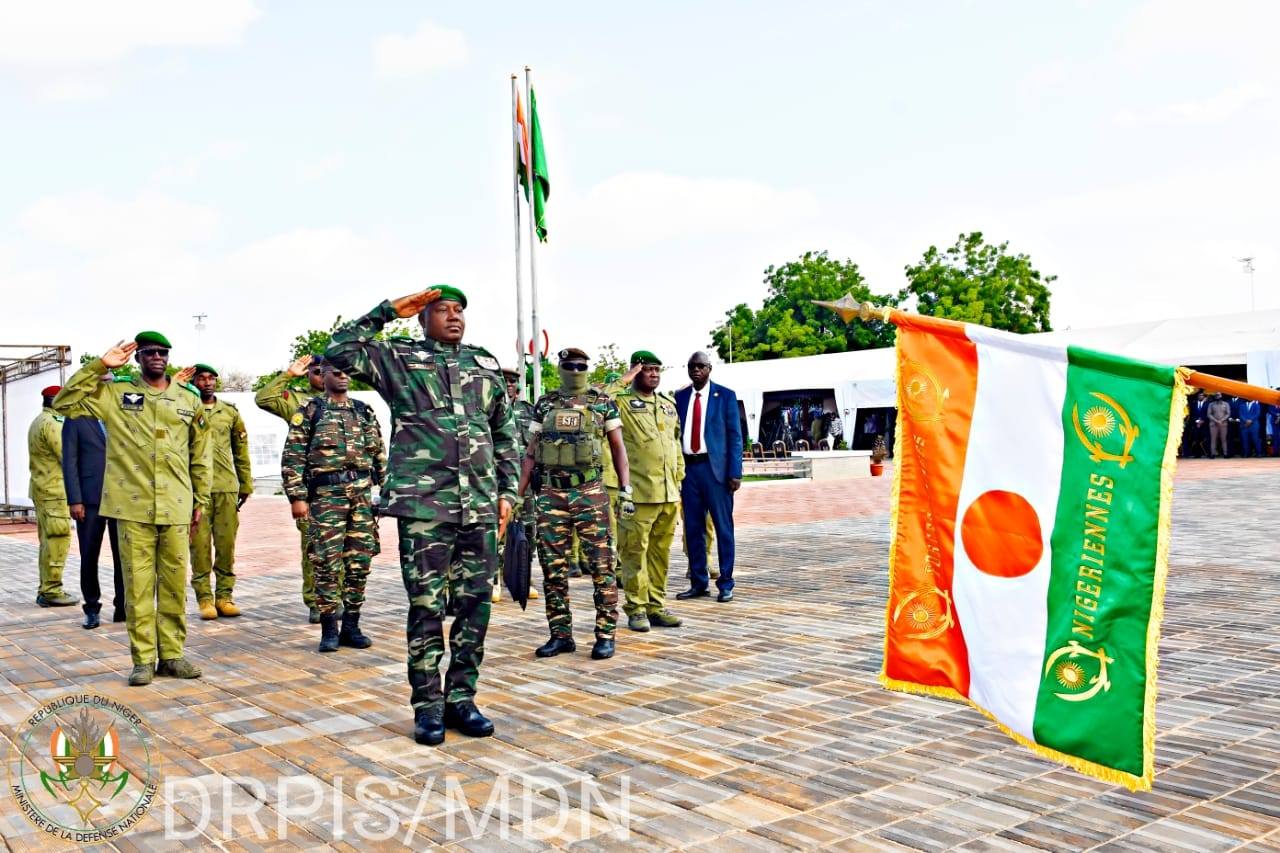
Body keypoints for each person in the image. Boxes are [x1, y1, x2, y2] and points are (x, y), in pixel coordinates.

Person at [326, 285, 518, 746]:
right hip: (425, 507)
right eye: (442, 310)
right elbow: (339, 349)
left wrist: (508, 492)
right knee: (428, 607)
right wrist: (387, 311)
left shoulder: (484, 364)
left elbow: (505, 433)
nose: (454, 317)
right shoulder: (398, 359)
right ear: (422, 318)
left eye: (459, 310)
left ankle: (462, 699)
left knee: (475, 606)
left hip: (479, 506)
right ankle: (428, 705)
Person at [53, 333, 210, 686]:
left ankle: (172, 655)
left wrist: (200, 500)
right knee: (137, 588)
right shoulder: (115, 394)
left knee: (174, 585)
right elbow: (64, 403)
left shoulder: (188, 399)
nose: (157, 357)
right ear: (138, 358)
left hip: (176, 506)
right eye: (149, 352)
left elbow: (200, 455)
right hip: (131, 508)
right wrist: (99, 366)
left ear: (168, 357)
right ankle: (143, 660)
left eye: (162, 352)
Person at [518, 348, 633, 661]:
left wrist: (626, 490)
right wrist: (518, 494)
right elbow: (531, 453)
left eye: (581, 366)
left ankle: (605, 635)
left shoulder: (602, 402)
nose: (576, 370)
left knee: (601, 566)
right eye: (570, 365)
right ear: (560, 368)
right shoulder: (545, 404)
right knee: (553, 569)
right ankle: (560, 635)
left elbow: (618, 449)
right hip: (551, 495)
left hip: (589, 492)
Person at [282, 363, 385, 653]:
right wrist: (297, 497)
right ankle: (329, 628)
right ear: (323, 375)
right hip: (327, 497)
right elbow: (293, 457)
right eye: (335, 372)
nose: (342, 376)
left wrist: (387, 491)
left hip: (361, 497)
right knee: (326, 563)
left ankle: (351, 626)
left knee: (359, 562)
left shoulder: (363, 410)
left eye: (345, 372)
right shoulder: (310, 411)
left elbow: (379, 453)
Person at [255, 353, 333, 623]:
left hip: (341, 488)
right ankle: (315, 601)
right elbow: (264, 398)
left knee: (343, 548)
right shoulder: (298, 401)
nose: (322, 376)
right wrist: (288, 375)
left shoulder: (345, 401)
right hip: (311, 487)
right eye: (316, 371)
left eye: (326, 370)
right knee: (313, 546)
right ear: (309, 374)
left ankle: (337, 599)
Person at [613, 351, 684, 632]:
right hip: (639, 494)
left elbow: (675, 443)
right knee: (634, 553)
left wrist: (679, 478)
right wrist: (624, 379)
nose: (654, 374)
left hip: (668, 493)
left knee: (660, 554)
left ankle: (656, 605)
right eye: (647, 369)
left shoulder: (667, 404)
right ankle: (636, 608)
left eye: (657, 370)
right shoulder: (622, 402)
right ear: (635, 371)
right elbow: (595, 401)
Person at [674, 351, 742, 604]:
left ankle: (726, 583)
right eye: (692, 366)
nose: (696, 370)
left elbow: (735, 437)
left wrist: (735, 472)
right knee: (693, 529)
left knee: (723, 528)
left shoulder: (725, 396)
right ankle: (698, 582)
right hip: (689, 471)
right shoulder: (680, 397)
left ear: (710, 368)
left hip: (717, 473)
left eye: (701, 366)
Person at [189, 364, 253, 620]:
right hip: (196, 491)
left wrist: (245, 483)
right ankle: (204, 598)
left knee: (226, 545)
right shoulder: (186, 409)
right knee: (200, 547)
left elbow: (241, 450)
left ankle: (224, 596)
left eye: (211, 378)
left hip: (226, 487)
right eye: (201, 378)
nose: (207, 383)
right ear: (193, 382)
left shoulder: (229, 412)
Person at [63, 409, 125, 628]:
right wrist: (74, 499)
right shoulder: (75, 418)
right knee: (89, 555)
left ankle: (122, 606)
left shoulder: (119, 414)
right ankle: (91, 608)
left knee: (124, 556)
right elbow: (69, 461)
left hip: (120, 497)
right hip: (89, 499)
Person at [29, 386, 77, 608]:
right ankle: (51, 590)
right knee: (57, 539)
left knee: (48, 541)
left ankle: (46, 588)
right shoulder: (53, 424)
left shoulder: (40, 420)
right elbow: (68, 456)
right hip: (54, 492)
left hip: (44, 490)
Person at [495, 367, 538, 603]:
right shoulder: (486, 409)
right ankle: (494, 579)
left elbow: (537, 445)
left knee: (527, 529)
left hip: (524, 482)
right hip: (496, 481)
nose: (509, 384)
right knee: (496, 529)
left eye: (512, 381)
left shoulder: (529, 411)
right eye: (504, 381)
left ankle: (523, 576)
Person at [1207, 392, 1231, 458]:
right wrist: (1216, 420)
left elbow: (1228, 413)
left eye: (1219, 395)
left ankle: (1225, 454)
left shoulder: (1226, 404)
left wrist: (1222, 420)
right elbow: (1209, 414)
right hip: (1213, 424)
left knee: (1223, 439)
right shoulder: (1211, 404)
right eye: (1216, 395)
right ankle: (1213, 454)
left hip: (1223, 424)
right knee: (1213, 439)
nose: (1217, 396)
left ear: (1221, 396)